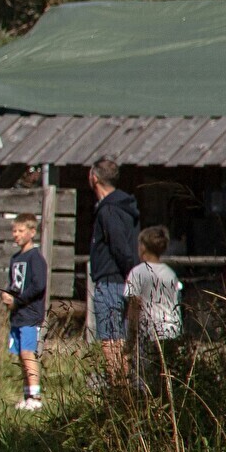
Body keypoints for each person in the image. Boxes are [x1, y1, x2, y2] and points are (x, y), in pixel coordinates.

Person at [84, 155, 139, 389]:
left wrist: (130, 274)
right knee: (120, 339)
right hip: (124, 282)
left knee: (111, 340)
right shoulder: (125, 207)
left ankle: (119, 390)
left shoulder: (108, 211)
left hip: (111, 282)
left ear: (94, 178)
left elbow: (120, 247)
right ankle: (124, 390)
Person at [127, 225, 184, 398]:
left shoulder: (138, 273)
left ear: (143, 247)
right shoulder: (170, 273)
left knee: (145, 381)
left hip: (149, 333)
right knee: (167, 379)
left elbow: (134, 306)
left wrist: (130, 337)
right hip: (172, 331)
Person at [4, 214, 49, 409]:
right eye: (14, 231)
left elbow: (38, 285)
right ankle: (27, 394)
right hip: (17, 316)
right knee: (20, 356)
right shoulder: (15, 258)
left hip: (30, 315)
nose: (16, 234)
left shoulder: (35, 258)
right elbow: (15, 284)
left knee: (28, 353)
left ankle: (35, 397)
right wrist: (7, 295)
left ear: (32, 232)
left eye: (21, 231)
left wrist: (18, 300)